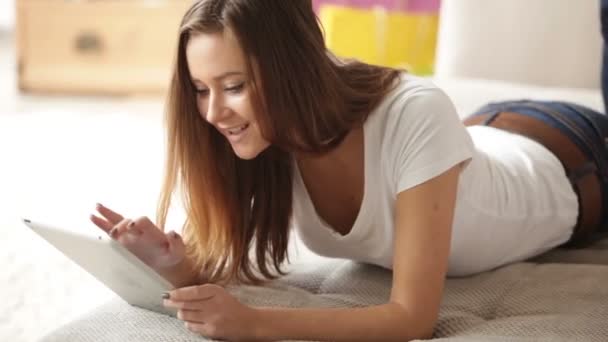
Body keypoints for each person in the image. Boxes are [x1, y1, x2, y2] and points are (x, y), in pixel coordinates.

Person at [90, 1, 608, 341]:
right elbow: (222, 264)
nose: (212, 113)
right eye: (201, 89)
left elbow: (413, 318)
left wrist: (255, 325)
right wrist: (172, 264)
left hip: (574, 156)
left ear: (290, 71)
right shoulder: (264, 137)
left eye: (233, 86)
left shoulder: (415, 111)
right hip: (488, 128)